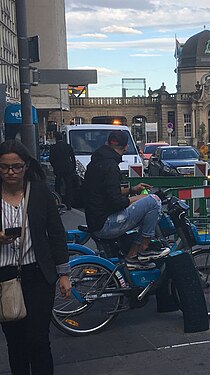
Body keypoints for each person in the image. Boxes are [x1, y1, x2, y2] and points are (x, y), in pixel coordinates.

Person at [0, 139, 71, 375]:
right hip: (4, 277)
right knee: (16, 341)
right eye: (5, 166)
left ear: (26, 166)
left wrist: (64, 274)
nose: (11, 172)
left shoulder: (39, 192)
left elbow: (56, 232)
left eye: (17, 166)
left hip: (38, 274)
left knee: (38, 339)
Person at [82, 130, 169, 269]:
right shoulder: (111, 166)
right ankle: (143, 249)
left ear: (107, 143)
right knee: (153, 201)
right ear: (126, 147)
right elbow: (116, 203)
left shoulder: (97, 162)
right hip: (106, 224)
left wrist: (130, 190)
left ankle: (132, 257)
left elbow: (105, 192)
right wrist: (141, 197)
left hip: (96, 219)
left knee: (148, 202)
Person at [49, 131, 76, 210]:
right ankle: (69, 204)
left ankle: (59, 200)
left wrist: (55, 166)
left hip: (58, 169)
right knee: (68, 186)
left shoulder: (53, 147)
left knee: (57, 185)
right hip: (68, 169)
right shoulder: (68, 146)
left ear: (56, 138)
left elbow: (51, 159)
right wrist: (73, 168)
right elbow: (73, 158)